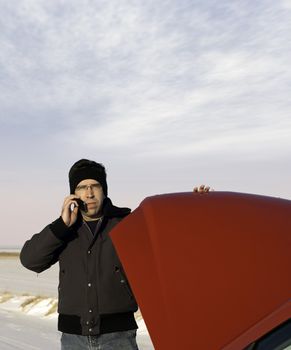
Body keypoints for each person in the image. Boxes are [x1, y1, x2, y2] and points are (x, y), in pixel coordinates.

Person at [20, 159, 139, 350]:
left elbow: (170, 243)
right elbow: (30, 260)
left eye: (95, 186)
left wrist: (194, 202)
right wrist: (61, 226)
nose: (89, 193)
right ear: (73, 194)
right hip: (73, 339)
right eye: (82, 187)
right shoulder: (63, 229)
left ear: (104, 190)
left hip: (118, 337)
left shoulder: (125, 223)